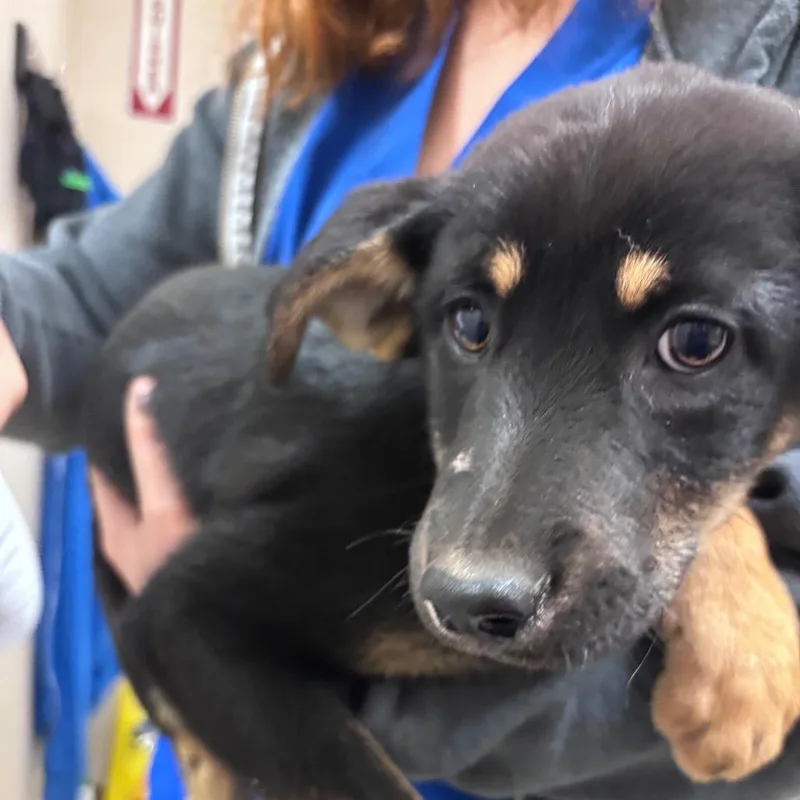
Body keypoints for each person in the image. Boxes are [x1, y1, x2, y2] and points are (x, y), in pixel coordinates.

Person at [2, 0, 800, 797]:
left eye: (694, 346)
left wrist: (274, 682)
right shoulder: (330, 37)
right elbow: (87, 300)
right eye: (471, 324)